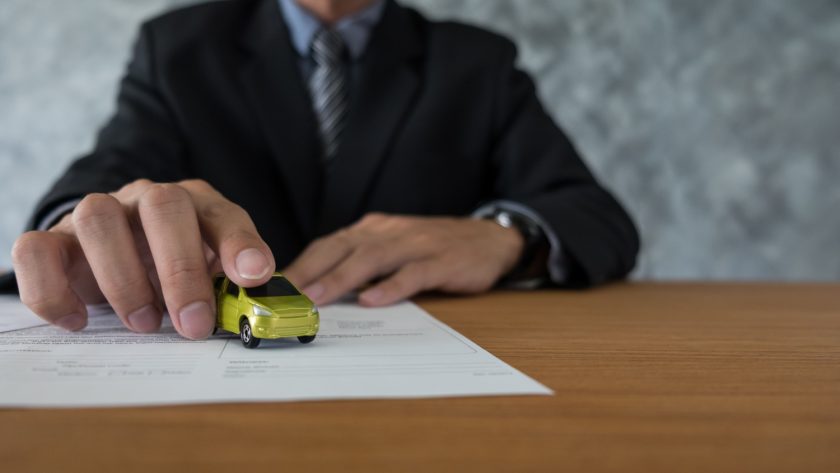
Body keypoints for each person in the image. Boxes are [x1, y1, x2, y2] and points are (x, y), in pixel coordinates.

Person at [8, 0, 639, 341]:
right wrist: (88, 228)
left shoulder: (477, 61)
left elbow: (599, 218)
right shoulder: (176, 47)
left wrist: (506, 237)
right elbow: (108, 173)